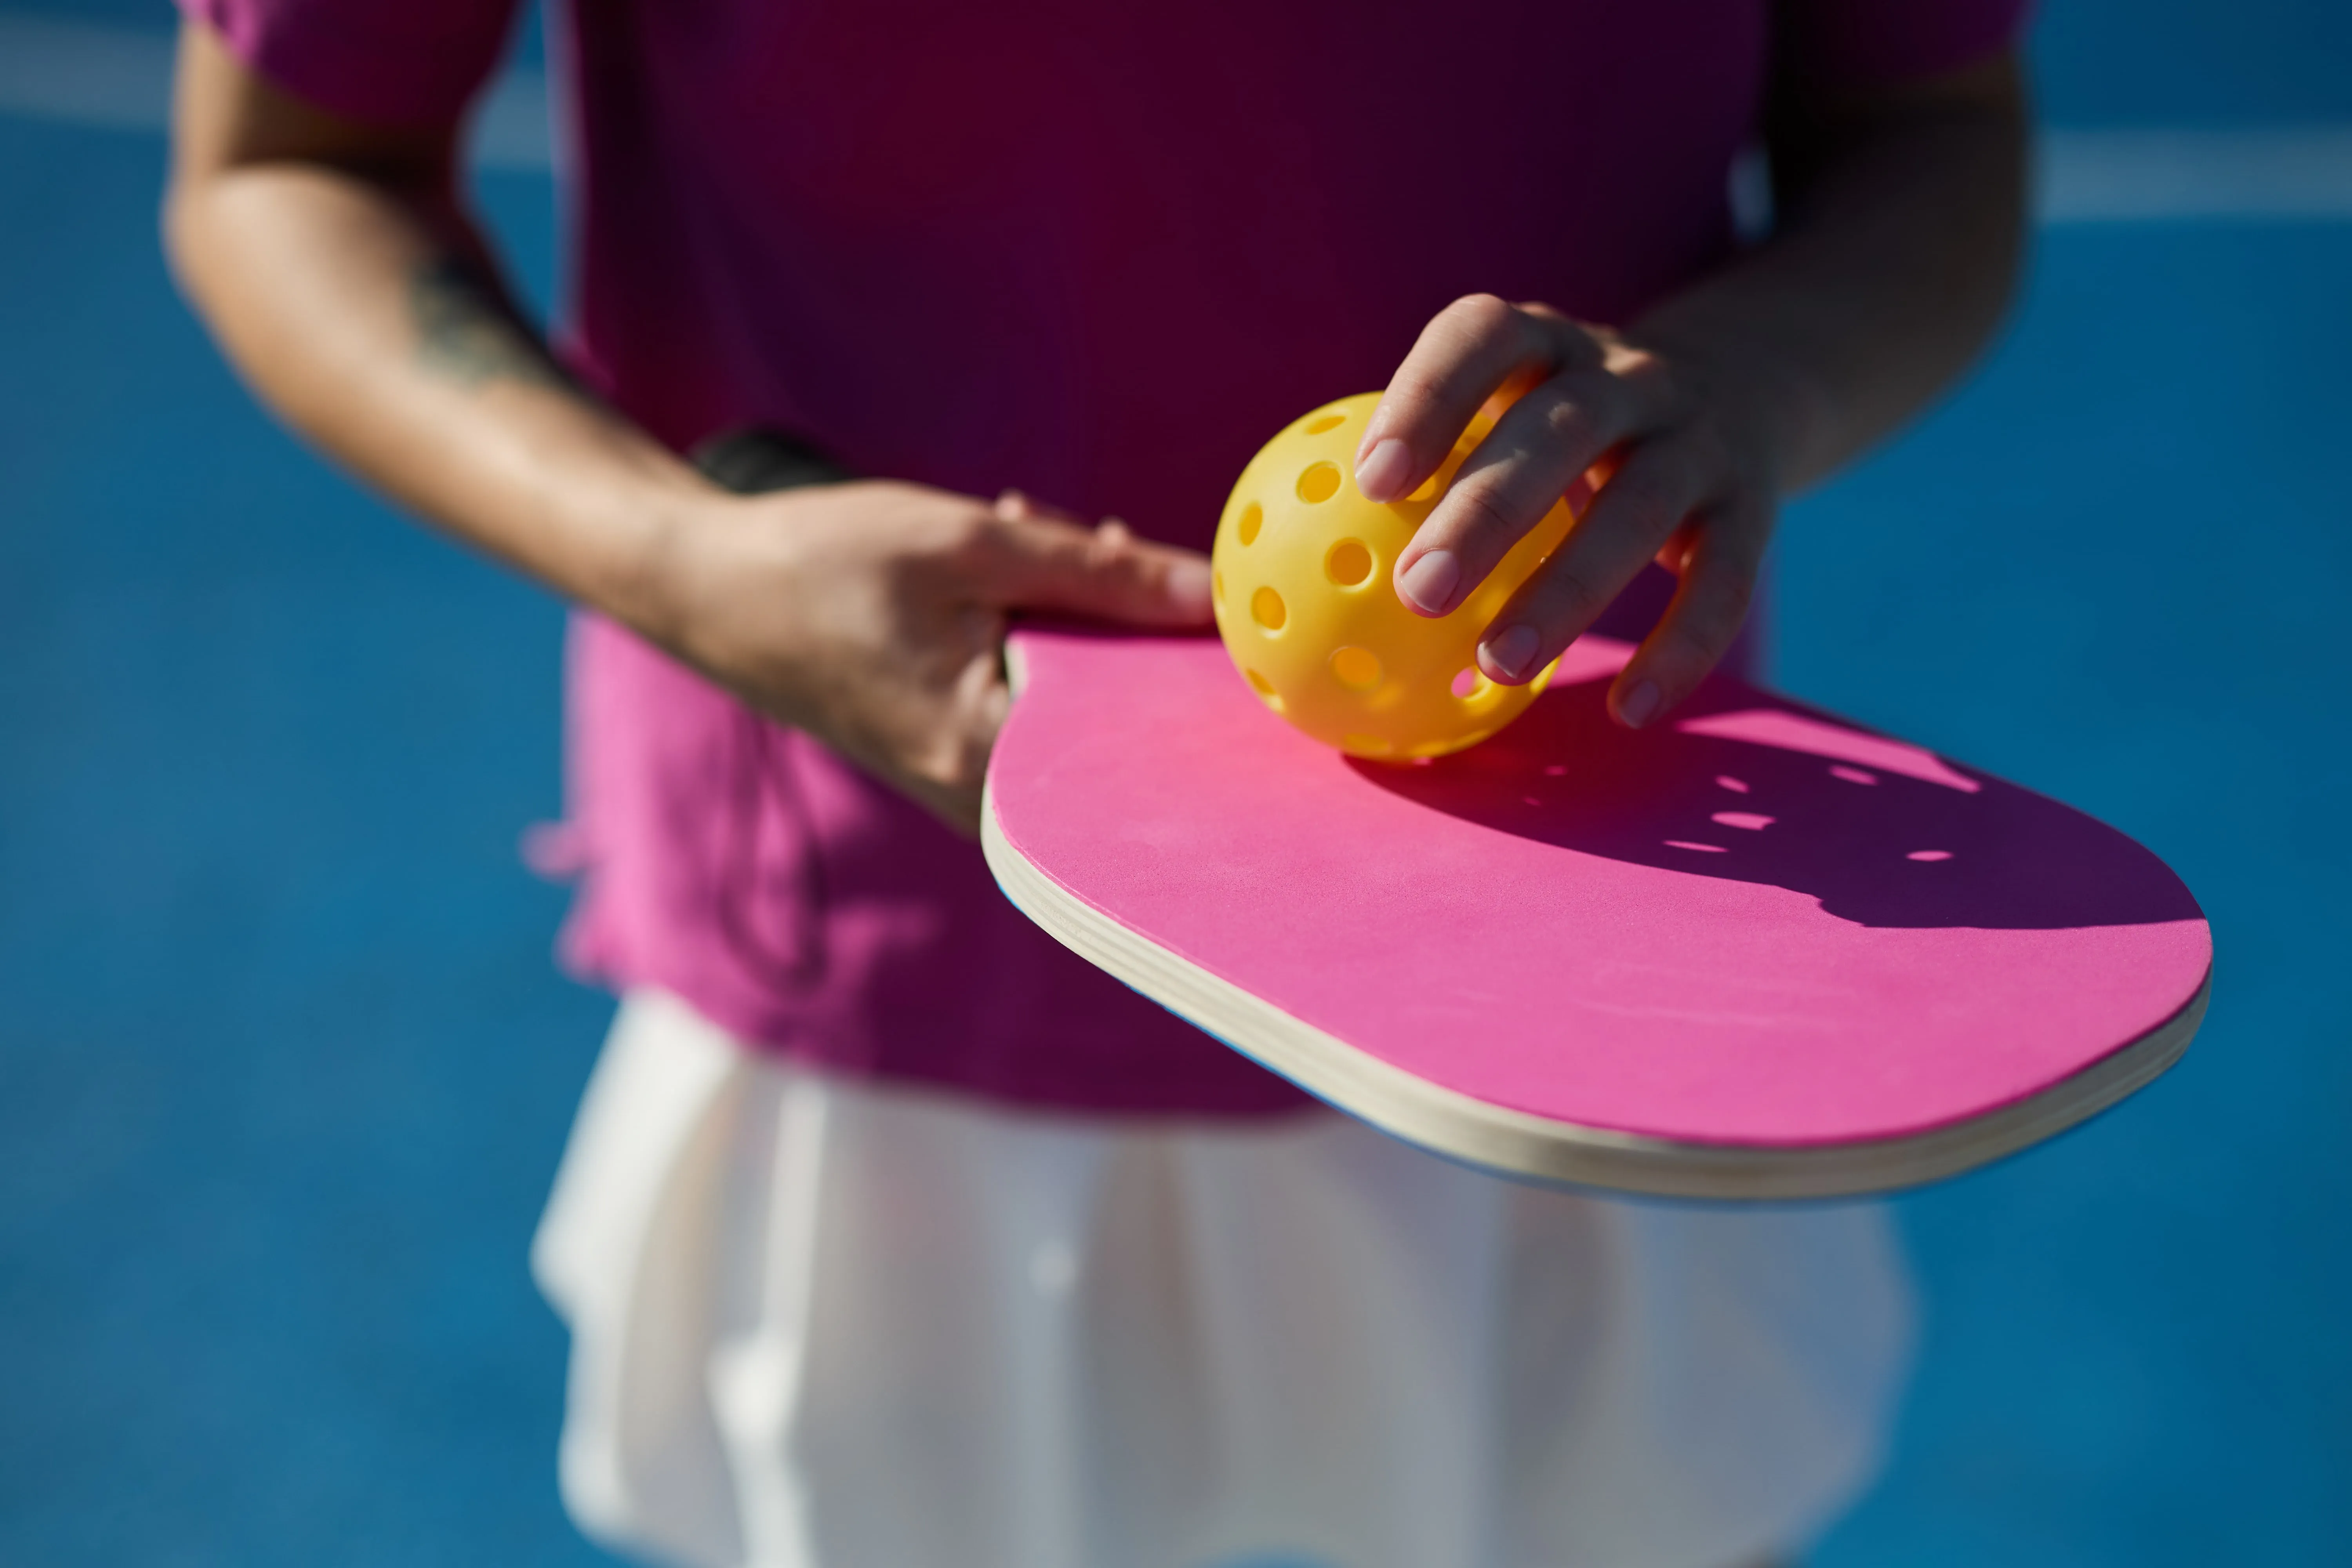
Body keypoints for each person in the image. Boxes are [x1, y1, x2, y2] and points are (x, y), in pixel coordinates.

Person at [165, 1, 2029, 1563]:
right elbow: (286, 167)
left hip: (1592, 967)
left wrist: (1743, 381)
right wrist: (681, 561)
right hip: (887, 961)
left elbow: (1925, 122)